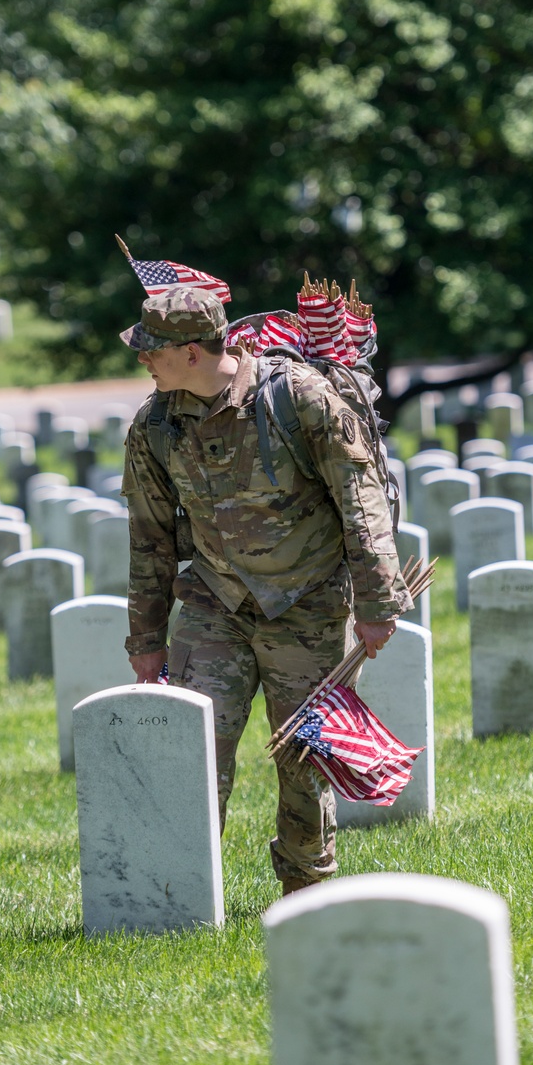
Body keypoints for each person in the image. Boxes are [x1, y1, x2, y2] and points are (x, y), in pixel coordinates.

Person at [120, 284, 412, 894]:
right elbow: (148, 534)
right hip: (213, 602)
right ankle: (179, 895)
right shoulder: (154, 424)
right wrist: (145, 637)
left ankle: (308, 891)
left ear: (194, 352)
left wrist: (378, 601)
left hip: (306, 601)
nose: (142, 360)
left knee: (305, 761)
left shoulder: (299, 398)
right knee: (192, 751)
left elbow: (359, 499)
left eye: (152, 350)